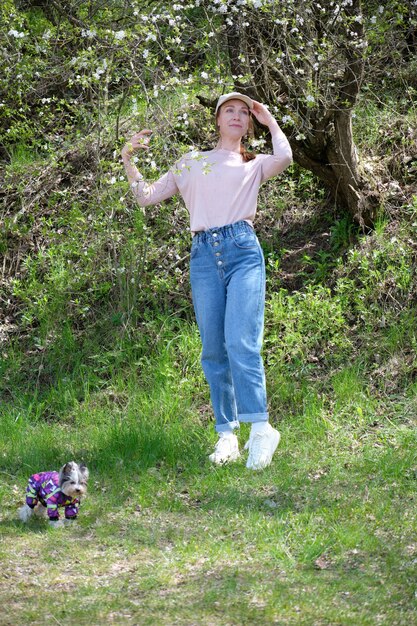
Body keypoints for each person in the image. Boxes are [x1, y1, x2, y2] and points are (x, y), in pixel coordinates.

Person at [121, 92, 292, 470]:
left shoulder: (254, 164)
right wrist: (127, 159)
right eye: (228, 110)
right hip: (203, 256)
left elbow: (286, 157)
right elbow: (146, 197)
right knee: (213, 349)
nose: (236, 116)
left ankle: (261, 428)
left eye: (243, 112)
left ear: (249, 123)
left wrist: (270, 120)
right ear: (216, 120)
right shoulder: (192, 162)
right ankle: (227, 435)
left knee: (241, 341)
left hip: (243, 251)